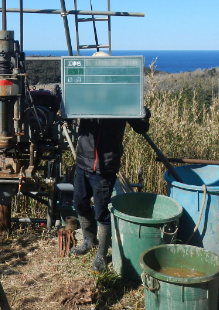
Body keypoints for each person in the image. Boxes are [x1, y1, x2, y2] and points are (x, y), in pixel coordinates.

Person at [70, 53, 151, 273]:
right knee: (80, 203)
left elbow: (141, 127)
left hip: (105, 165)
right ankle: (88, 240)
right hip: (82, 161)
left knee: (102, 212)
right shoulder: (85, 92)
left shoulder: (122, 96)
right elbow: (67, 112)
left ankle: (101, 256)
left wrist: (142, 113)